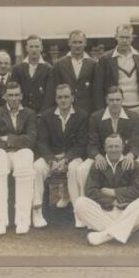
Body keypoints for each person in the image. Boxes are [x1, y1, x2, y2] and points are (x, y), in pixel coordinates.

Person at [0, 82, 45, 235]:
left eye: (16, 95)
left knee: (26, 158)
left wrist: (7, 138)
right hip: (1, 152)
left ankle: (23, 220)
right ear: (5, 96)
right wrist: (17, 139)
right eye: (10, 95)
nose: (13, 98)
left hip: (21, 152)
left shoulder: (30, 114)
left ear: (21, 96)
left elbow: (31, 140)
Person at [75, 134, 139, 246]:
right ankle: (123, 230)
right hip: (104, 211)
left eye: (117, 146)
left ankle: (104, 236)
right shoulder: (97, 165)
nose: (114, 149)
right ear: (105, 148)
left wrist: (114, 192)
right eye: (110, 146)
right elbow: (91, 191)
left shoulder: (132, 164)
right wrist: (112, 202)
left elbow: (137, 190)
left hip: (126, 211)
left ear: (122, 148)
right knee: (80, 203)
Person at [77, 86, 139, 199]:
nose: (115, 103)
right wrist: (97, 156)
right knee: (81, 170)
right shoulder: (96, 117)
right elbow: (92, 144)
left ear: (122, 100)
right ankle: (84, 204)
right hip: (103, 156)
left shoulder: (133, 116)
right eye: (111, 100)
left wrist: (131, 154)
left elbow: (136, 141)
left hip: (126, 156)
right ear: (106, 100)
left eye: (118, 100)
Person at [34, 84, 88, 227]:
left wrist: (66, 159)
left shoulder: (82, 116)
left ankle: (78, 213)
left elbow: (82, 144)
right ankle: (37, 211)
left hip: (72, 156)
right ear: (55, 99)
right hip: (51, 156)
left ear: (72, 98)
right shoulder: (46, 116)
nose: (63, 100)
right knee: (36, 168)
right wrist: (51, 160)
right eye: (60, 97)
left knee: (75, 169)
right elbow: (42, 142)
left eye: (66, 97)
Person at [93, 24, 139, 116]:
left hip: (138, 107)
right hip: (115, 108)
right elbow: (98, 88)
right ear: (116, 37)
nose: (124, 40)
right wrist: (101, 111)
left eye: (127, 37)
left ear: (132, 38)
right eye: (122, 37)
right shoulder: (105, 59)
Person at [53, 30, 96, 114]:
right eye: (74, 42)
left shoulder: (93, 64)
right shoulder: (59, 64)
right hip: (65, 110)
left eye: (80, 42)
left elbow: (96, 90)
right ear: (69, 43)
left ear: (85, 43)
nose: (77, 45)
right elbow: (55, 88)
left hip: (87, 111)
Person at [10, 35, 55, 114]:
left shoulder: (49, 69)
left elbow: (49, 95)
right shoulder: (17, 69)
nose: (34, 49)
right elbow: (14, 92)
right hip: (21, 113)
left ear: (41, 48)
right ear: (27, 48)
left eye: (37, 46)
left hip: (41, 114)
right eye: (31, 46)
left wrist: (42, 113)